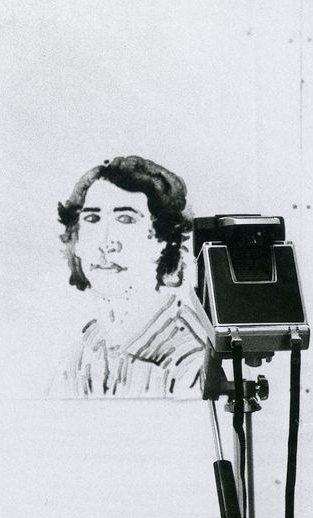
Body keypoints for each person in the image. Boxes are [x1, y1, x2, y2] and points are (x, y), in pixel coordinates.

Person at [51, 155, 211, 399]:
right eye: (92, 219)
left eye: (125, 219)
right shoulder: (86, 349)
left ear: (165, 242)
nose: (106, 243)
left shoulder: (192, 359)